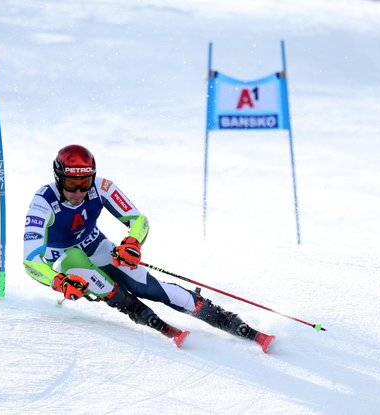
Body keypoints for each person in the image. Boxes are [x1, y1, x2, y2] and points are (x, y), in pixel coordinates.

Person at [23, 144, 274, 352]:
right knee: (84, 267)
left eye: (84, 182)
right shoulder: (43, 202)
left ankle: (221, 317)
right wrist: (58, 282)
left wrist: (132, 243)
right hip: (62, 262)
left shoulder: (102, 188)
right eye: (71, 183)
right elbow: (31, 262)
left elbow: (138, 220)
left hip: (97, 247)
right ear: (58, 178)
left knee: (148, 287)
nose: (78, 191)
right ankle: (132, 308)